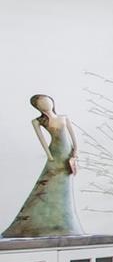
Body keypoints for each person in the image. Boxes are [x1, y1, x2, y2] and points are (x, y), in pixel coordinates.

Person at [5, 93, 82, 238]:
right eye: (41, 103)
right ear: (37, 107)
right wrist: (49, 155)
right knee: (48, 183)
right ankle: (38, 222)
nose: (46, 105)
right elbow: (42, 140)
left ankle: (64, 222)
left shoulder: (63, 118)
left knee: (63, 185)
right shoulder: (38, 121)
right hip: (55, 153)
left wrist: (75, 151)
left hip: (66, 154)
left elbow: (72, 136)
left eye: (47, 101)